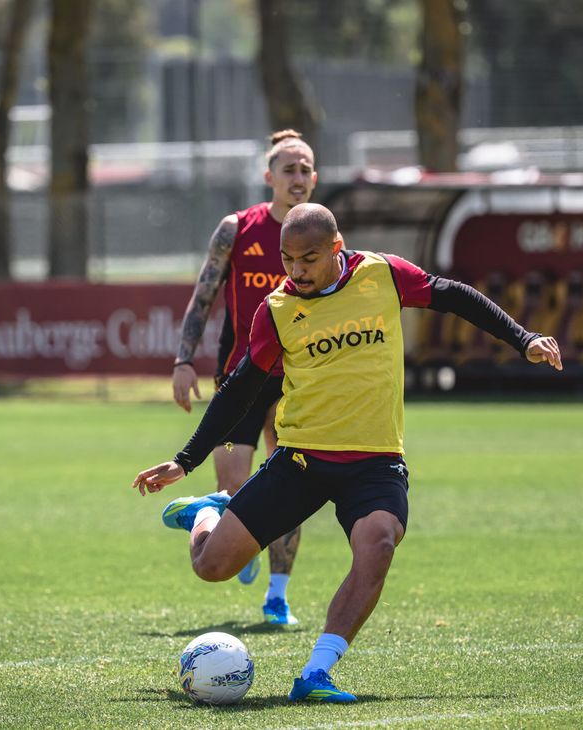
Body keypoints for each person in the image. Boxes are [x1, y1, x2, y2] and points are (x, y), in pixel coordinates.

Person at [134, 203, 563, 703]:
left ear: (337, 249)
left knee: (379, 543)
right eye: (288, 260)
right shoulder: (276, 310)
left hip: (375, 461)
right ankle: (208, 514)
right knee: (211, 567)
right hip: (301, 460)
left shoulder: (382, 274)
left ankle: (316, 672)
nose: (297, 271)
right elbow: (238, 390)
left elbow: (456, 297)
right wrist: (185, 461)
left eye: (309, 259)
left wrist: (524, 338)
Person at [168, 130, 317, 625]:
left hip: (297, 380)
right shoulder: (237, 229)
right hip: (241, 378)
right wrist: (183, 360)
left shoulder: (320, 236)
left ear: (314, 178)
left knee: (293, 484)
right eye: (288, 169)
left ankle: (278, 596)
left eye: (305, 170)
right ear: (268, 176)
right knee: (237, 493)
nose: (297, 178)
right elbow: (203, 296)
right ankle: (215, 515)